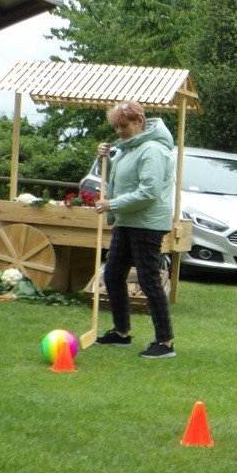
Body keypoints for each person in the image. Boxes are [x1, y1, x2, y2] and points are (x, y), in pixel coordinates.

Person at [93, 100, 177, 359]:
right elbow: (120, 181)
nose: (119, 131)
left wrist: (112, 204)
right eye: (116, 127)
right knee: (112, 275)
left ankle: (165, 343)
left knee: (148, 280)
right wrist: (105, 158)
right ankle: (121, 333)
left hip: (147, 224)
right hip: (127, 221)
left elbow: (149, 192)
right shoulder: (129, 148)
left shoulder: (152, 150)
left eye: (124, 126)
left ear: (139, 122)